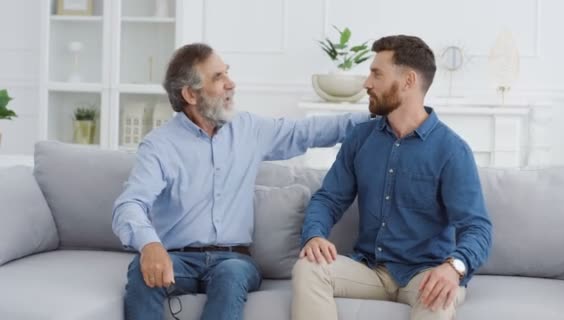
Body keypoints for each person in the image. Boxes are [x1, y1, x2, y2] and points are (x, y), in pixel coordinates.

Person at [112, 42, 369, 320]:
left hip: (234, 260)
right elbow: (129, 205)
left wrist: (381, 115)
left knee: (230, 273)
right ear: (190, 94)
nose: (231, 84)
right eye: (218, 77)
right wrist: (150, 245)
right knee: (140, 269)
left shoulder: (249, 129)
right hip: (178, 259)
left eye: (227, 73)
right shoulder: (159, 145)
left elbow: (309, 131)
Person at [291, 35, 493, 320]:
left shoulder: (451, 150)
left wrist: (454, 268)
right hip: (369, 269)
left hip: (426, 273)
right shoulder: (361, 138)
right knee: (309, 267)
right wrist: (314, 235)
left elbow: (477, 227)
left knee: (440, 300)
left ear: (409, 81)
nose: (366, 83)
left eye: (376, 74)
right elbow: (328, 199)